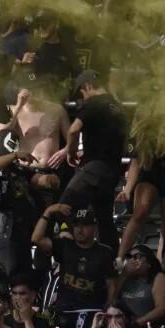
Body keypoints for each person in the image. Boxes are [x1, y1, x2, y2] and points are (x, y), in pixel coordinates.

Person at [58, 69, 128, 250]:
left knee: (65, 204)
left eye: (82, 91)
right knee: (104, 216)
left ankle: (66, 248)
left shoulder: (93, 104)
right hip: (113, 170)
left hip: (94, 167)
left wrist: (71, 152)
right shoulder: (117, 106)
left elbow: (73, 130)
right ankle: (110, 258)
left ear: (88, 86)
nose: (82, 96)